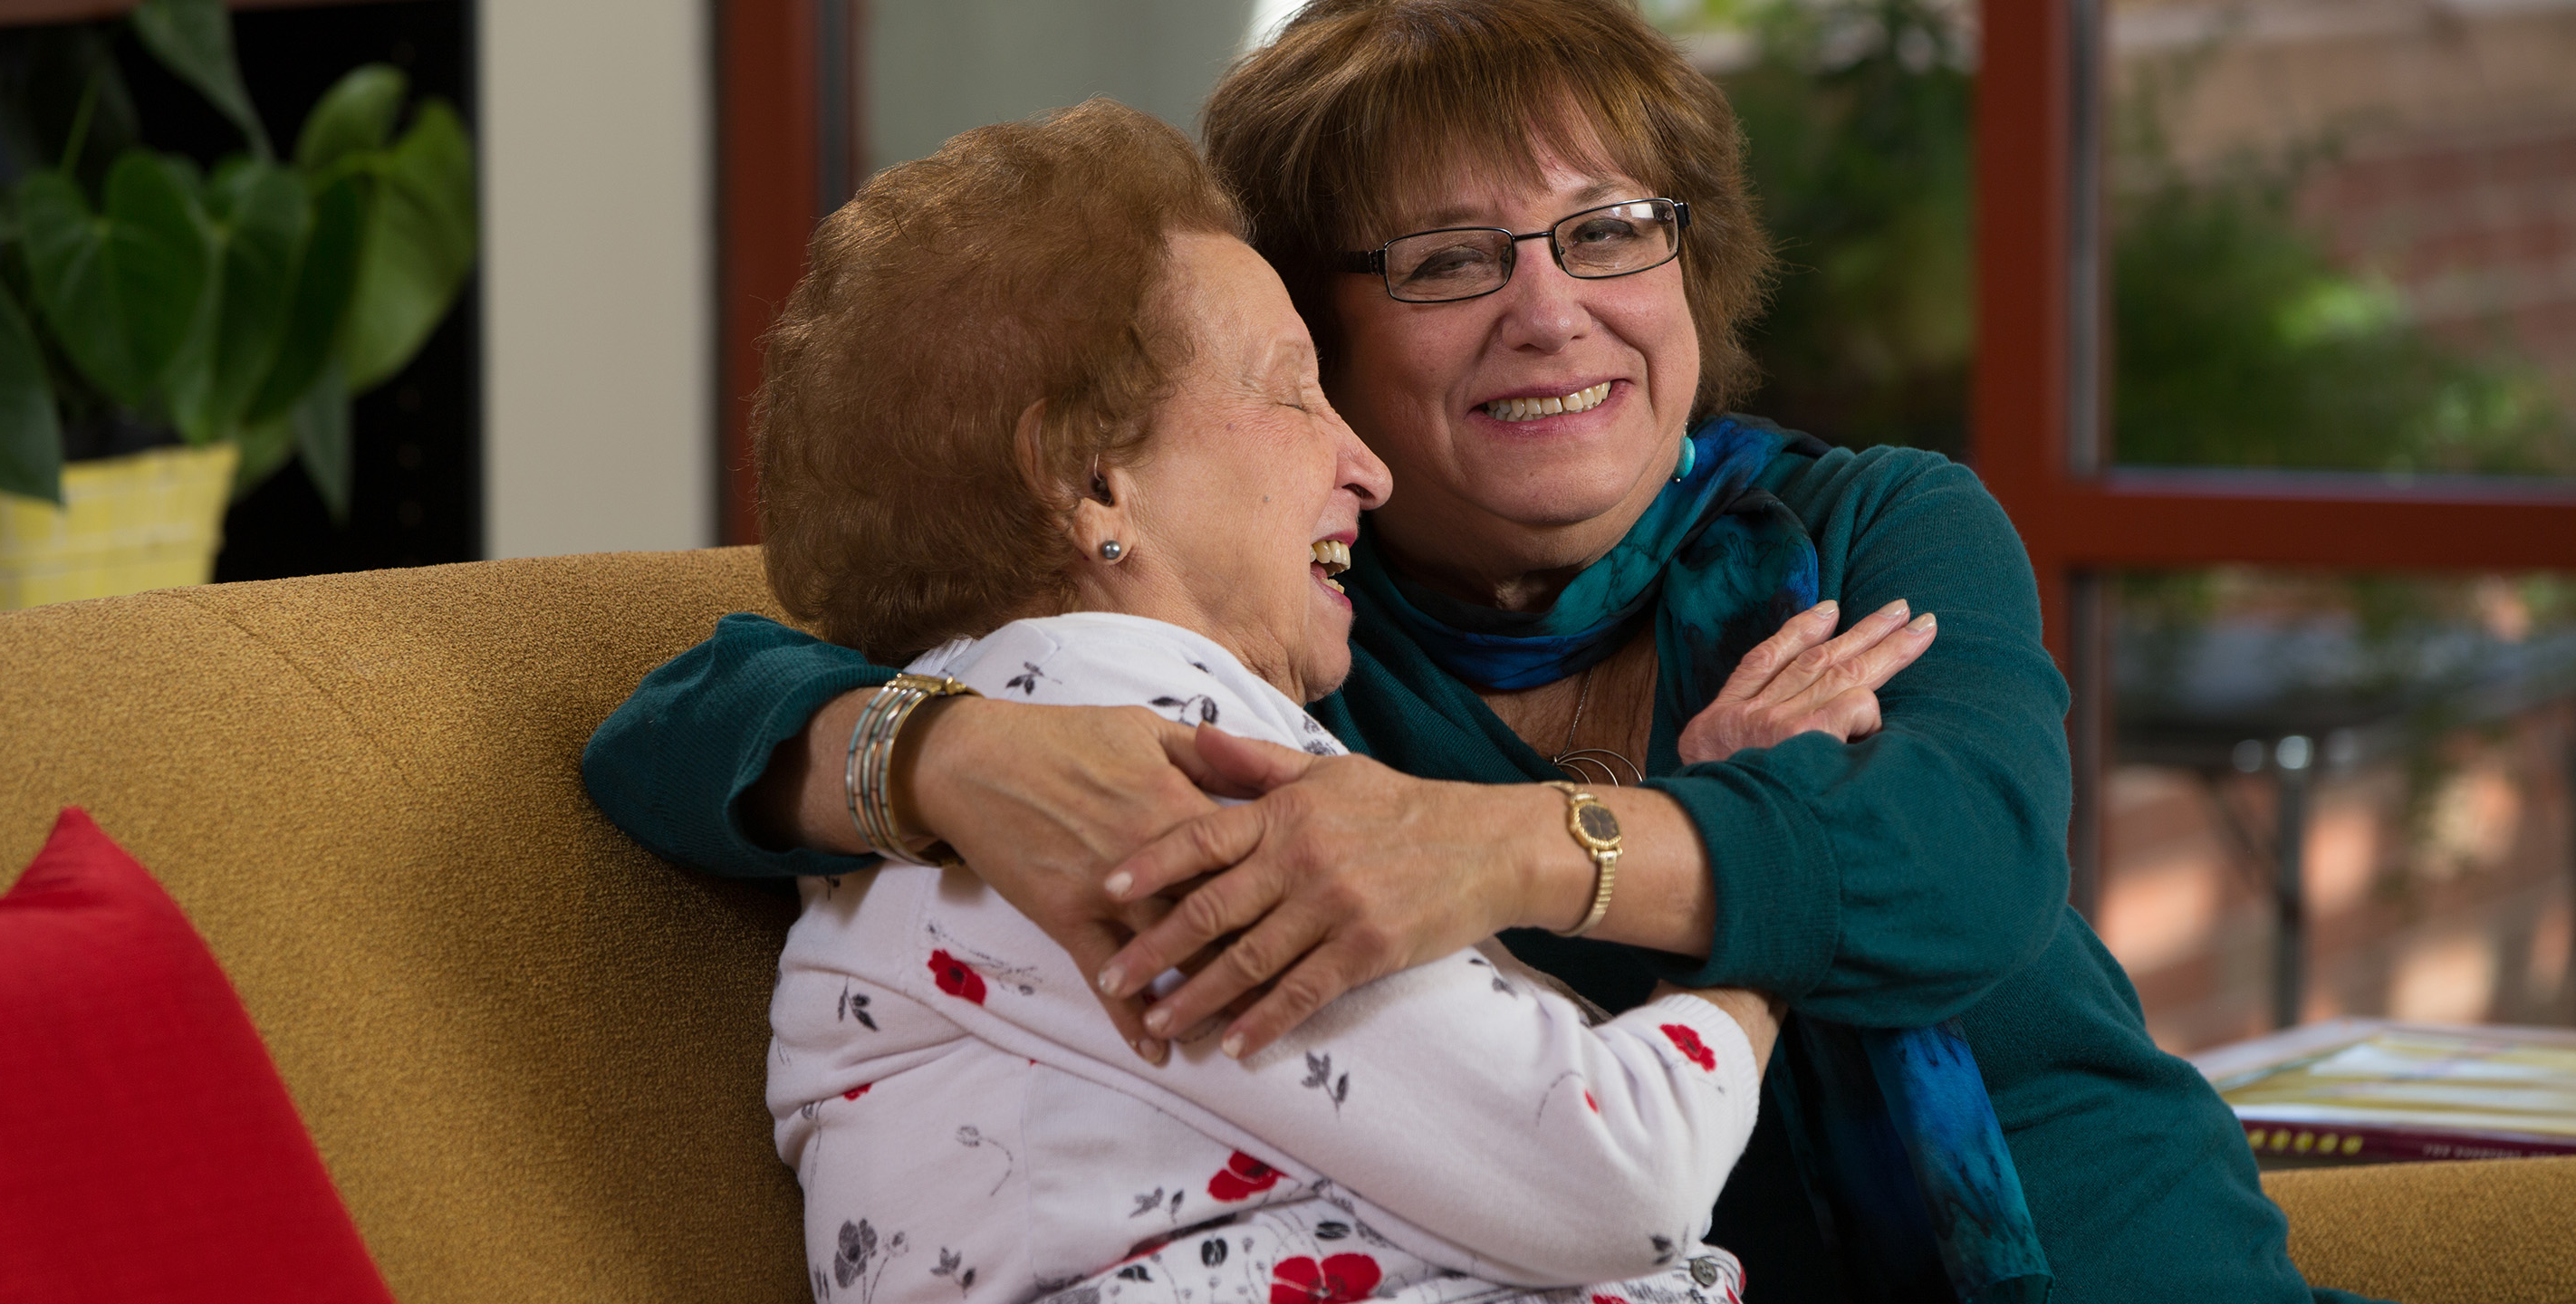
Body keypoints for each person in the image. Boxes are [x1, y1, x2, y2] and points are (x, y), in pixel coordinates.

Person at [588, 3, 2374, 1300]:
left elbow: (1963, 872)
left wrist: (1495, 850)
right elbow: (671, 720)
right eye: (1448, 261)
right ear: (1319, 336)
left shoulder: (1862, 531)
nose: (1553, 307)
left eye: (1610, 231)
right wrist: (950, 759)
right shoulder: (1276, 676)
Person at [758, 100, 1773, 1304]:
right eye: (1297, 391)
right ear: (1093, 479)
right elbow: (1619, 1171)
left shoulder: (1025, 737)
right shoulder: (1116, 748)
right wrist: (1760, 862)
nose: (1368, 467)